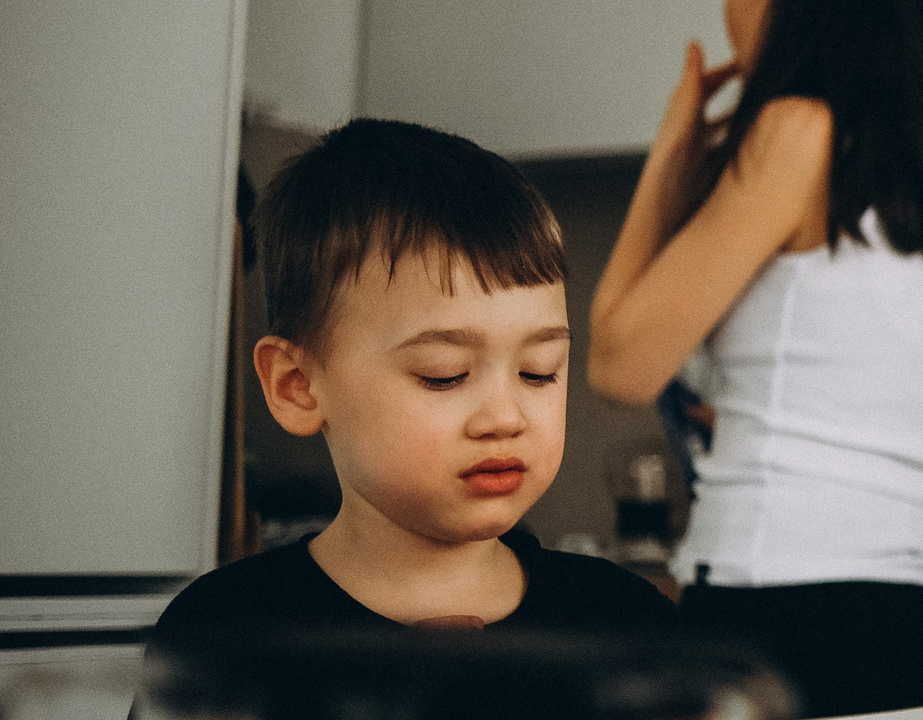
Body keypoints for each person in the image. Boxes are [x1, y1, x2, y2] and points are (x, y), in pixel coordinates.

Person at [587, 0, 923, 720]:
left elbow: (620, 362)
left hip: (769, 613)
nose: (729, 7)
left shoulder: (795, 132)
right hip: (895, 621)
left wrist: (670, 153)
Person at [150, 119, 674, 647]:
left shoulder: (629, 624)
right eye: (443, 376)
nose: (505, 418)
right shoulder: (222, 632)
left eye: (538, 371)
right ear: (298, 387)